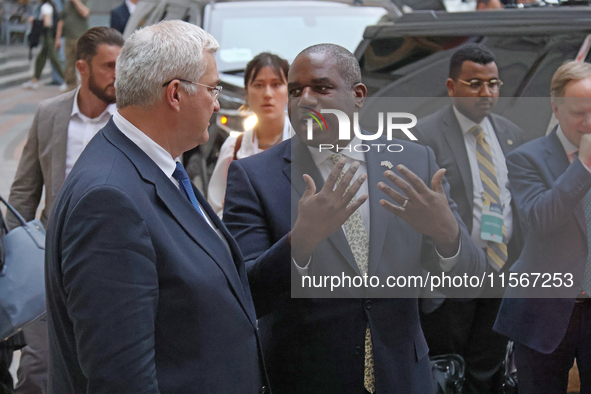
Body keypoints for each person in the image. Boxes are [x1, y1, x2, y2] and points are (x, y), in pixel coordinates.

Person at [222, 43, 486, 394]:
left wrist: (448, 235)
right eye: (297, 90)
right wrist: (300, 242)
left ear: (358, 95)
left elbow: (471, 281)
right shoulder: (254, 177)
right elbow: (246, 293)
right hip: (307, 378)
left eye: (321, 87)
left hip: (402, 375)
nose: (306, 100)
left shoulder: (414, 161)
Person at [44, 20, 267, 393]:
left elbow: (217, 290)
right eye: (212, 88)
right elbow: (122, 378)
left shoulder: (157, 166)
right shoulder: (109, 200)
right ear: (175, 94)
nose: (216, 103)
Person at [8, 26, 124, 394]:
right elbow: (24, 193)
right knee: (38, 369)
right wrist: (15, 258)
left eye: (123, 66)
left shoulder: (131, 120)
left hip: (114, 261)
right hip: (51, 260)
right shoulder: (49, 115)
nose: (117, 76)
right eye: (108, 66)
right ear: (82, 68)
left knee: (102, 365)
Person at [413, 43, 525, 394]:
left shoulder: (510, 134)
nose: (486, 92)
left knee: (488, 369)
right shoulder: (424, 136)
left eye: (493, 83)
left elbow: (516, 203)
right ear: (451, 87)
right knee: (447, 369)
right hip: (451, 277)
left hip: (500, 274)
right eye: (474, 83)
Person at [494, 61, 591, 394]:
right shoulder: (527, 158)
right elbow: (540, 219)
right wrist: (584, 167)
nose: (590, 122)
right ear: (555, 108)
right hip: (543, 310)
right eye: (580, 112)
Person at [208, 52, 290, 217]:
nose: (267, 94)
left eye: (276, 84)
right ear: (246, 92)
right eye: (259, 85)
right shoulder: (233, 148)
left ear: (290, 90)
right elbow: (216, 210)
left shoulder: (304, 143)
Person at [22, 0, 66, 91]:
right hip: (49, 36)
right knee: (41, 58)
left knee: (54, 58)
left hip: (48, 36)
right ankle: (35, 79)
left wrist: (34, 21)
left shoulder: (46, 7)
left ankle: (66, 80)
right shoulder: (51, 5)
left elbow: (47, 23)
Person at [55, 0, 90, 91]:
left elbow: (85, 13)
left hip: (80, 38)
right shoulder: (67, 5)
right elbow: (61, 21)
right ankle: (71, 85)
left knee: (83, 62)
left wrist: (76, 2)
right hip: (68, 38)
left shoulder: (84, 2)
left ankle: (86, 86)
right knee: (69, 62)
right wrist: (58, 38)